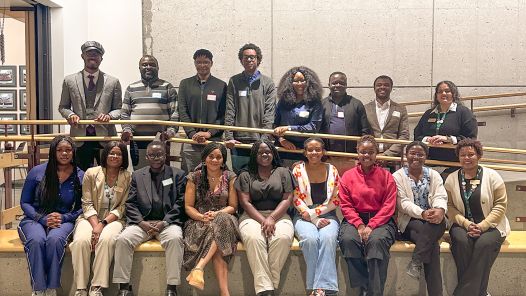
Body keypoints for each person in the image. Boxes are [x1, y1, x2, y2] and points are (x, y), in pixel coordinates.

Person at [112, 141, 186, 296]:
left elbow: (181, 202)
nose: (156, 158)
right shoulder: (138, 175)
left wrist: (164, 222)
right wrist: (141, 222)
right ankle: (124, 288)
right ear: (147, 157)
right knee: (123, 239)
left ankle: (172, 288)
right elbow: (130, 203)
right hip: (142, 223)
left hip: (167, 223)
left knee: (175, 239)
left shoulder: (177, 175)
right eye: (152, 155)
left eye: (159, 154)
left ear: (165, 156)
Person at [18, 135, 84, 296]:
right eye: (59, 150)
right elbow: (24, 202)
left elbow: (84, 206)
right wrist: (42, 219)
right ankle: (39, 289)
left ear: (73, 152)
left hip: (64, 219)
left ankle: (51, 288)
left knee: (55, 240)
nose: (64, 153)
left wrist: (65, 218)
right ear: (53, 152)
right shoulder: (37, 172)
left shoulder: (80, 175)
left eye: (68, 150)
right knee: (36, 240)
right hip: (35, 217)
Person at [445, 139, 510, 296]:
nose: (467, 158)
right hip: (462, 224)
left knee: (483, 244)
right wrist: (467, 224)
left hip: (492, 225)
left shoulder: (493, 176)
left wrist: (483, 226)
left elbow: (500, 205)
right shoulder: (451, 178)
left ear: (479, 155)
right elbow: (449, 206)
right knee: (461, 242)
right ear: (458, 157)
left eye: (471, 154)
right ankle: (480, 292)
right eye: (462, 155)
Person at [70, 141, 132, 296]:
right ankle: (81, 288)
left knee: (107, 240)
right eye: (112, 153)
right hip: (89, 217)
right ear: (105, 155)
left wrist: (102, 224)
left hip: (114, 219)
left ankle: (96, 287)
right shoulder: (91, 173)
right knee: (80, 241)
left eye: (119, 154)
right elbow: (86, 202)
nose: (115, 156)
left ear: (124, 157)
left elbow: (123, 206)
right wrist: (95, 224)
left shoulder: (128, 177)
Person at [338, 135, 396, 296]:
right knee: (348, 240)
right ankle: (362, 287)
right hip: (355, 219)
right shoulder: (348, 176)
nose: (366, 155)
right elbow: (346, 205)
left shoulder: (386, 176)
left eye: (370, 152)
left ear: (376, 153)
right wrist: (360, 225)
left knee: (376, 242)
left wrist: (371, 225)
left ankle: (374, 292)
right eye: (363, 152)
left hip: (382, 221)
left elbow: (388, 206)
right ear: (357, 152)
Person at [235, 140, 295, 296]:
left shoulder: (283, 172)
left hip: (279, 215)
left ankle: (268, 285)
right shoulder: (245, 175)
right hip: (252, 215)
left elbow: (288, 199)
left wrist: (272, 218)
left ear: (273, 153)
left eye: (268, 152)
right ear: (254, 155)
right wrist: (264, 220)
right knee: (255, 239)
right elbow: (245, 202)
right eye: (260, 152)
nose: (264, 155)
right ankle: (267, 290)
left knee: (281, 238)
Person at [183, 143, 240, 295]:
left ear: (223, 160)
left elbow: (233, 206)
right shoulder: (194, 177)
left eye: (219, 157)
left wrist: (217, 214)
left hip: (226, 218)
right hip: (199, 220)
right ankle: (224, 292)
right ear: (204, 158)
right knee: (219, 240)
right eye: (211, 156)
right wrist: (202, 217)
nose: (215, 160)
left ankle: (199, 267)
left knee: (222, 220)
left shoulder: (230, 177)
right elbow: (188, 207)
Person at [393, 141, 447, 296]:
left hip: (434, 220)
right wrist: (422, 213)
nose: (416, 157)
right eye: (412, 153)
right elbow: (402, 203)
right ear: (406, 155)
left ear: (426, 157)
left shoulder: (433, 174)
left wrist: (438, 209)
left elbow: (440, 195)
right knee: (433, 247)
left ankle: (416, 261)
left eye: (420, 154)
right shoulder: (397, 176)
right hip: (410, 221)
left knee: (439, 222)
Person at [58, 41, 122, 171]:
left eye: (96, 54)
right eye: (89, 53)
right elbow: (63, 106)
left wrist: (109, 116)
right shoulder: (69, 80)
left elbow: (120, 109)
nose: (93, 56)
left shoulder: (112, 82)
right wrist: (71, 115)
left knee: (108, 174)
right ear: (83, 56)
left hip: (106, 137)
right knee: (80, 175)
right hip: (79, 138)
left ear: (101, 58)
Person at [291, 138, 340, 296]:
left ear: (323, 151)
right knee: (310, 240)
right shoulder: (297, 169)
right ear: (305, 152)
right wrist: (313, 219)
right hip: (302, 213)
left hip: (328, 214)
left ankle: (317, 290)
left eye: (317, 149)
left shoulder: (332, 169)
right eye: (310, 150)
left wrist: (314, 214)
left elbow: (336, 200)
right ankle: (324, 290)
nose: (314, 153)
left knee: (328, 239)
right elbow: (295, 197)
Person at [224, 43, 277, 173]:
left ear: (258, 59)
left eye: (252, 57)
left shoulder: (268, 83)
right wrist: (228, 136)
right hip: (238, 140)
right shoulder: (234, 81)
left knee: (259, 175)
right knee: (240, 175)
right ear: (241, 60)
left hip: (259, 140)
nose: (249, 60)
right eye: (246, 57)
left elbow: (269, 113)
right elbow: (230, 109)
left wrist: (264, 139)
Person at [120, 55, 178, 170]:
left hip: (161, 139)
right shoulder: (131, 88)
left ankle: (165, 188)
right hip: (137, 140)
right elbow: (124, 113)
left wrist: (170, 133)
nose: (148, 67)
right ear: (139, 68)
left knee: (163, 172)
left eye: (152, 64)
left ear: (158, 67)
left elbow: (175, 113)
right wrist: (127, 130)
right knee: (141, 172)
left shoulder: (167, 87)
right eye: (144, 64)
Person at [178, 49, 227, 173]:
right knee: (191, 176)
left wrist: (209, 133)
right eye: (199, 62)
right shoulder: (185, 84)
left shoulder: (221, 85)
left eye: (206, 62)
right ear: (194, 63)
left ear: (211, 63)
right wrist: (192, 133)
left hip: (213, 141)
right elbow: (182, 111)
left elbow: (224, 114)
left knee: (214, 175)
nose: (202, 65)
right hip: (191, 141)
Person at [414, 80, 478, 163]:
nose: (443, 93)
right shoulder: (429, 113)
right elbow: (417, 134)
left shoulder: (464, 112)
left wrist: (448, 139)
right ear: (436, 96)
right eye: (440, 92)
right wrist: (428, 139)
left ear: (453, 94)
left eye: (447, 91)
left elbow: (471, 138)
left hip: (454, 162)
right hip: (429, 161)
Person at [320, 72, 371, 174]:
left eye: (341, 83)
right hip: (328, 157)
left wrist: (359, 154)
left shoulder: (356, 104)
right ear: (329, 85)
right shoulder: (322, 104)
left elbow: (365, 130)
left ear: (346, 85)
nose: (337, 85)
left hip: (351, 158)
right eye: (334, 83)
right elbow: (317, 129)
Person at [273, 66, 323, 167]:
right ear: (290, 83)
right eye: (296, 81)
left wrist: (289, 128)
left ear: (308, 82)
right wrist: (281, 140)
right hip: (284, 149)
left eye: (302, 80)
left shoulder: (315, 103)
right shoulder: (283, 102)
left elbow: (313, 127)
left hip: (304, 151)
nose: (299, 84)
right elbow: (274, 124)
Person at [364, 75, 409, 161]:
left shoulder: (400, 109)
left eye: (386, 85)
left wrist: (387, 155)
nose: (382, 87)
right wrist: (371, 153)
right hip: (370, 157)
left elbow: (404, 136)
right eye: (379, 85)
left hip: (393, 158)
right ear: (374, 88)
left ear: (391, 88)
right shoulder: (365, 109)